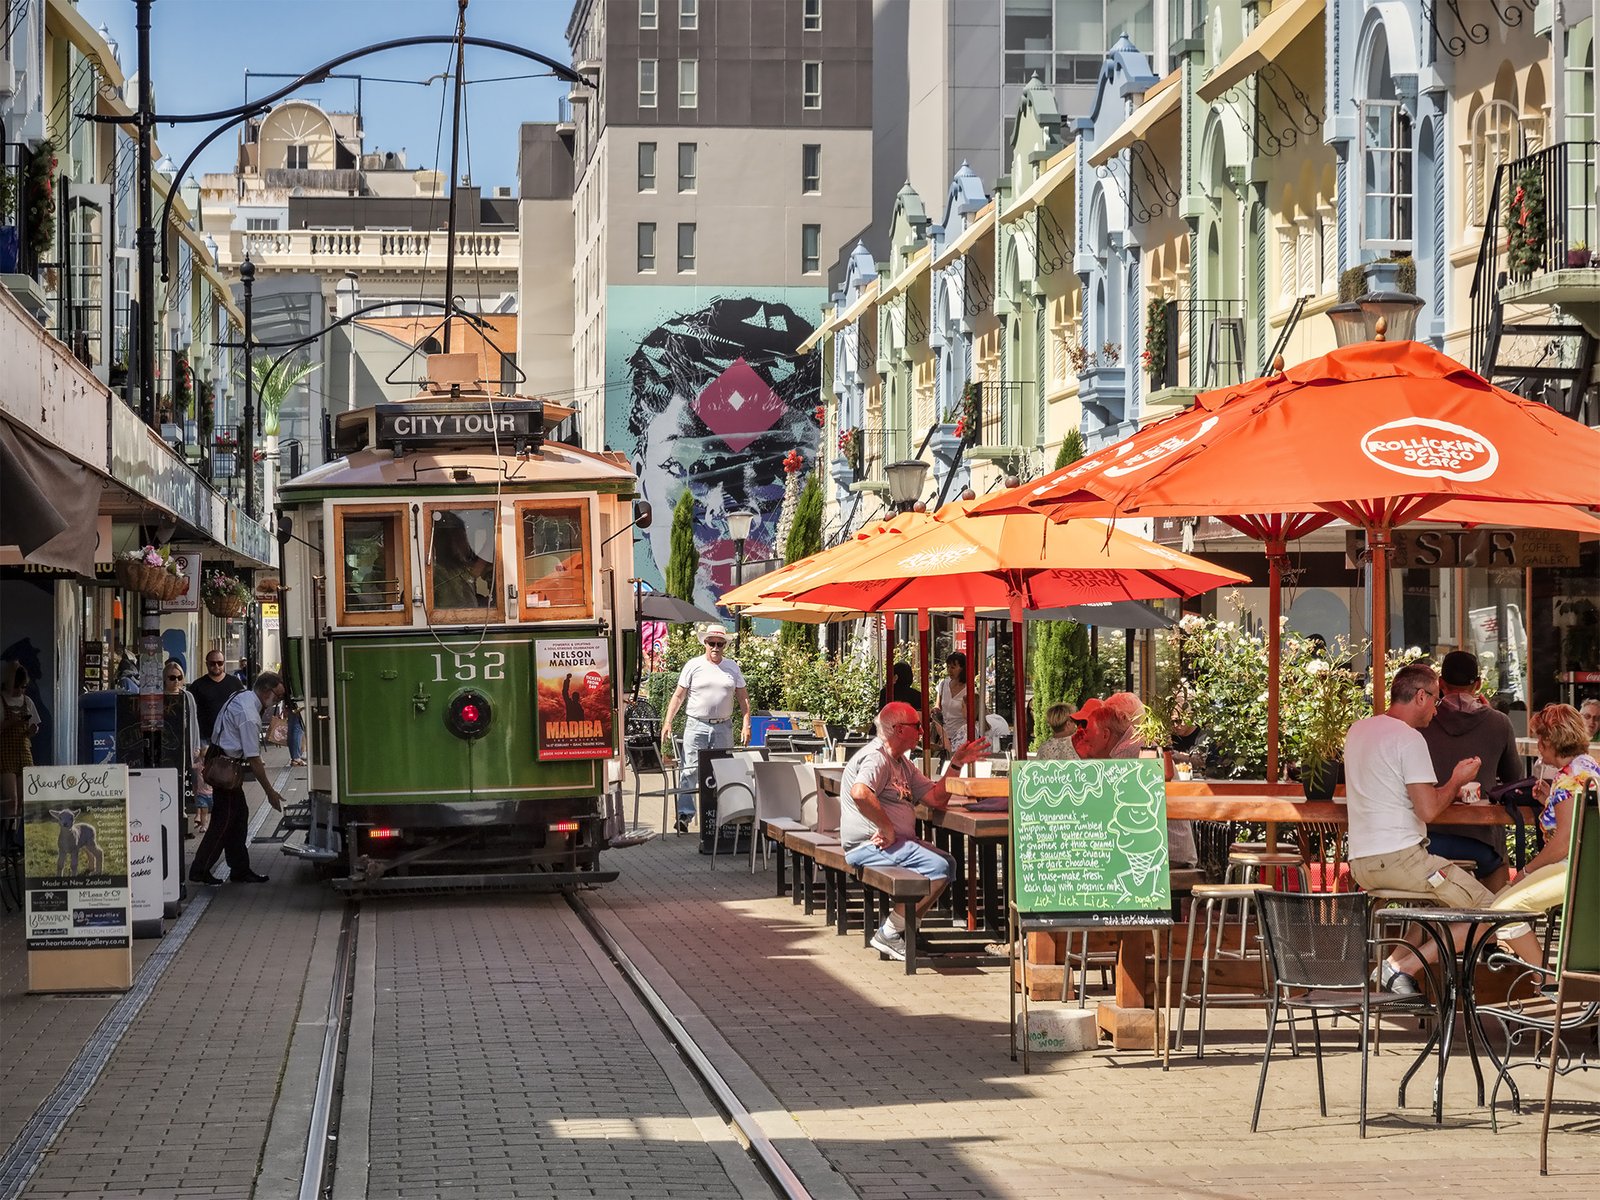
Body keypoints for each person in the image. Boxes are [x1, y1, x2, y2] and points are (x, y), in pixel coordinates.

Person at [1345, 663, 1491, 994]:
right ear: (1421, 696)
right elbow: (1428, 809)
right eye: (1436, 700)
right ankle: (1402, 968)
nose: (1437, 710)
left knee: (1434, 910)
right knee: (1492, 913)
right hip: (1401, 860)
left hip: (1362, 865)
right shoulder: (1409, 739)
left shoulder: (1358, 730)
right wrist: (1456, 780)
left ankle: (1392, 967)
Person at [841, 701, 989, 961]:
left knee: (948, 863)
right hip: (869, 845)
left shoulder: (902, 763)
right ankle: (889, 932)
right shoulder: (877, 756)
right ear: (898, 730)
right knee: (938, 868)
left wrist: (956, 763)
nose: (922, 731)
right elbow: (860, 792)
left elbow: (935, 798)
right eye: (917, 726)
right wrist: (886, 827)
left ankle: (908, 931)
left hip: (891, 844)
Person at [1488, 704, 1600, 965]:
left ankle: (1548, 979)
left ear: (1552, 740)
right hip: (1584, 866)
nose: (1538, 744)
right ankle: (1546, 978)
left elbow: (1564, 842)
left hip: (1573, 869)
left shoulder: (1570, 778)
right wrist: (1550, 798)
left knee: (1504, 912)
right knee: (1501, 905)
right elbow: (1578, 820)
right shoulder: (1585, 768)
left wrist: (1525, 872)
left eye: (1540, 737)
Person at [1419, 650, 1521, 889]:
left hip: (1427, 843)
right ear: (1478, 684)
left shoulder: (1421, 723)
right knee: (1498, 866)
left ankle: (1428, 922)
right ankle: (1497, 920)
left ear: (1441, 683)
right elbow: (1513, 779)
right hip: (1482, 844)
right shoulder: (1499, 723)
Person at [189, 671, 287, 886]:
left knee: (238, 815)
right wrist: (270, 792)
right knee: (224, 821)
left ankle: (239, 868)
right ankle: (201, 868)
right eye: (277, 697)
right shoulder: (249, 715)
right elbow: (254, 759)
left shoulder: (240, 696)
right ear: (265, 691)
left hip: (220, 758)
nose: (276, 702)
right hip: (226, 765)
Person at [660, 624, 753, 834]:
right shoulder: (693, 665)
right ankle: (684, 815)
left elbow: (743, 697)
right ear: (705, 643)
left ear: (725, 646)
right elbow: (678, 695)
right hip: (696, 724)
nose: (716, 647)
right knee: (690, 769)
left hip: (723, 726)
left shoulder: (732, 667)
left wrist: (746, 723)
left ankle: (723, 814)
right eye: (712, 643)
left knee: (723, 771)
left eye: (720, 644)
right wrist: (668, 721)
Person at [1, 661, 42, 845]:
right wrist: (13, 722)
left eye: (24, 687)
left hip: (24, 749)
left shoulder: (28, 701)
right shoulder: (1, 700)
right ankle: (8, 834)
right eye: (19, 687)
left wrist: (32, 729)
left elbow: (35, 726)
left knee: (24, 798)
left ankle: (15, 834)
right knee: (12, 799)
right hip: (5, 751)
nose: (21, 691)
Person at [164, 659, 205, 833]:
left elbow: (193, 722)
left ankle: (185, 814)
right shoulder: (158, 696)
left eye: (179, 677)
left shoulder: (187, 697)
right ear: (164, 678)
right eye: (172, 677)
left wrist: (195, 746)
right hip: (166, 747)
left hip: (184, 746)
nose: (176, 681)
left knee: (187, 781)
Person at [431, 511, 494, 609]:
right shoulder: (439, 572)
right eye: (462, 538)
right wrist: (492, 538)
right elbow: (473, 572)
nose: (466, 544)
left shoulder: (450, 567)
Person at [933, 652, 970, 757]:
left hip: (961, 736)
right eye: (948, 667)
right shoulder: (943, 684)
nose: (950, 670)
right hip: (943, 735)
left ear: (962, 668)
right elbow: (938, 705)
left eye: (953, 667)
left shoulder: (969, 689)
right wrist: (935, 711)